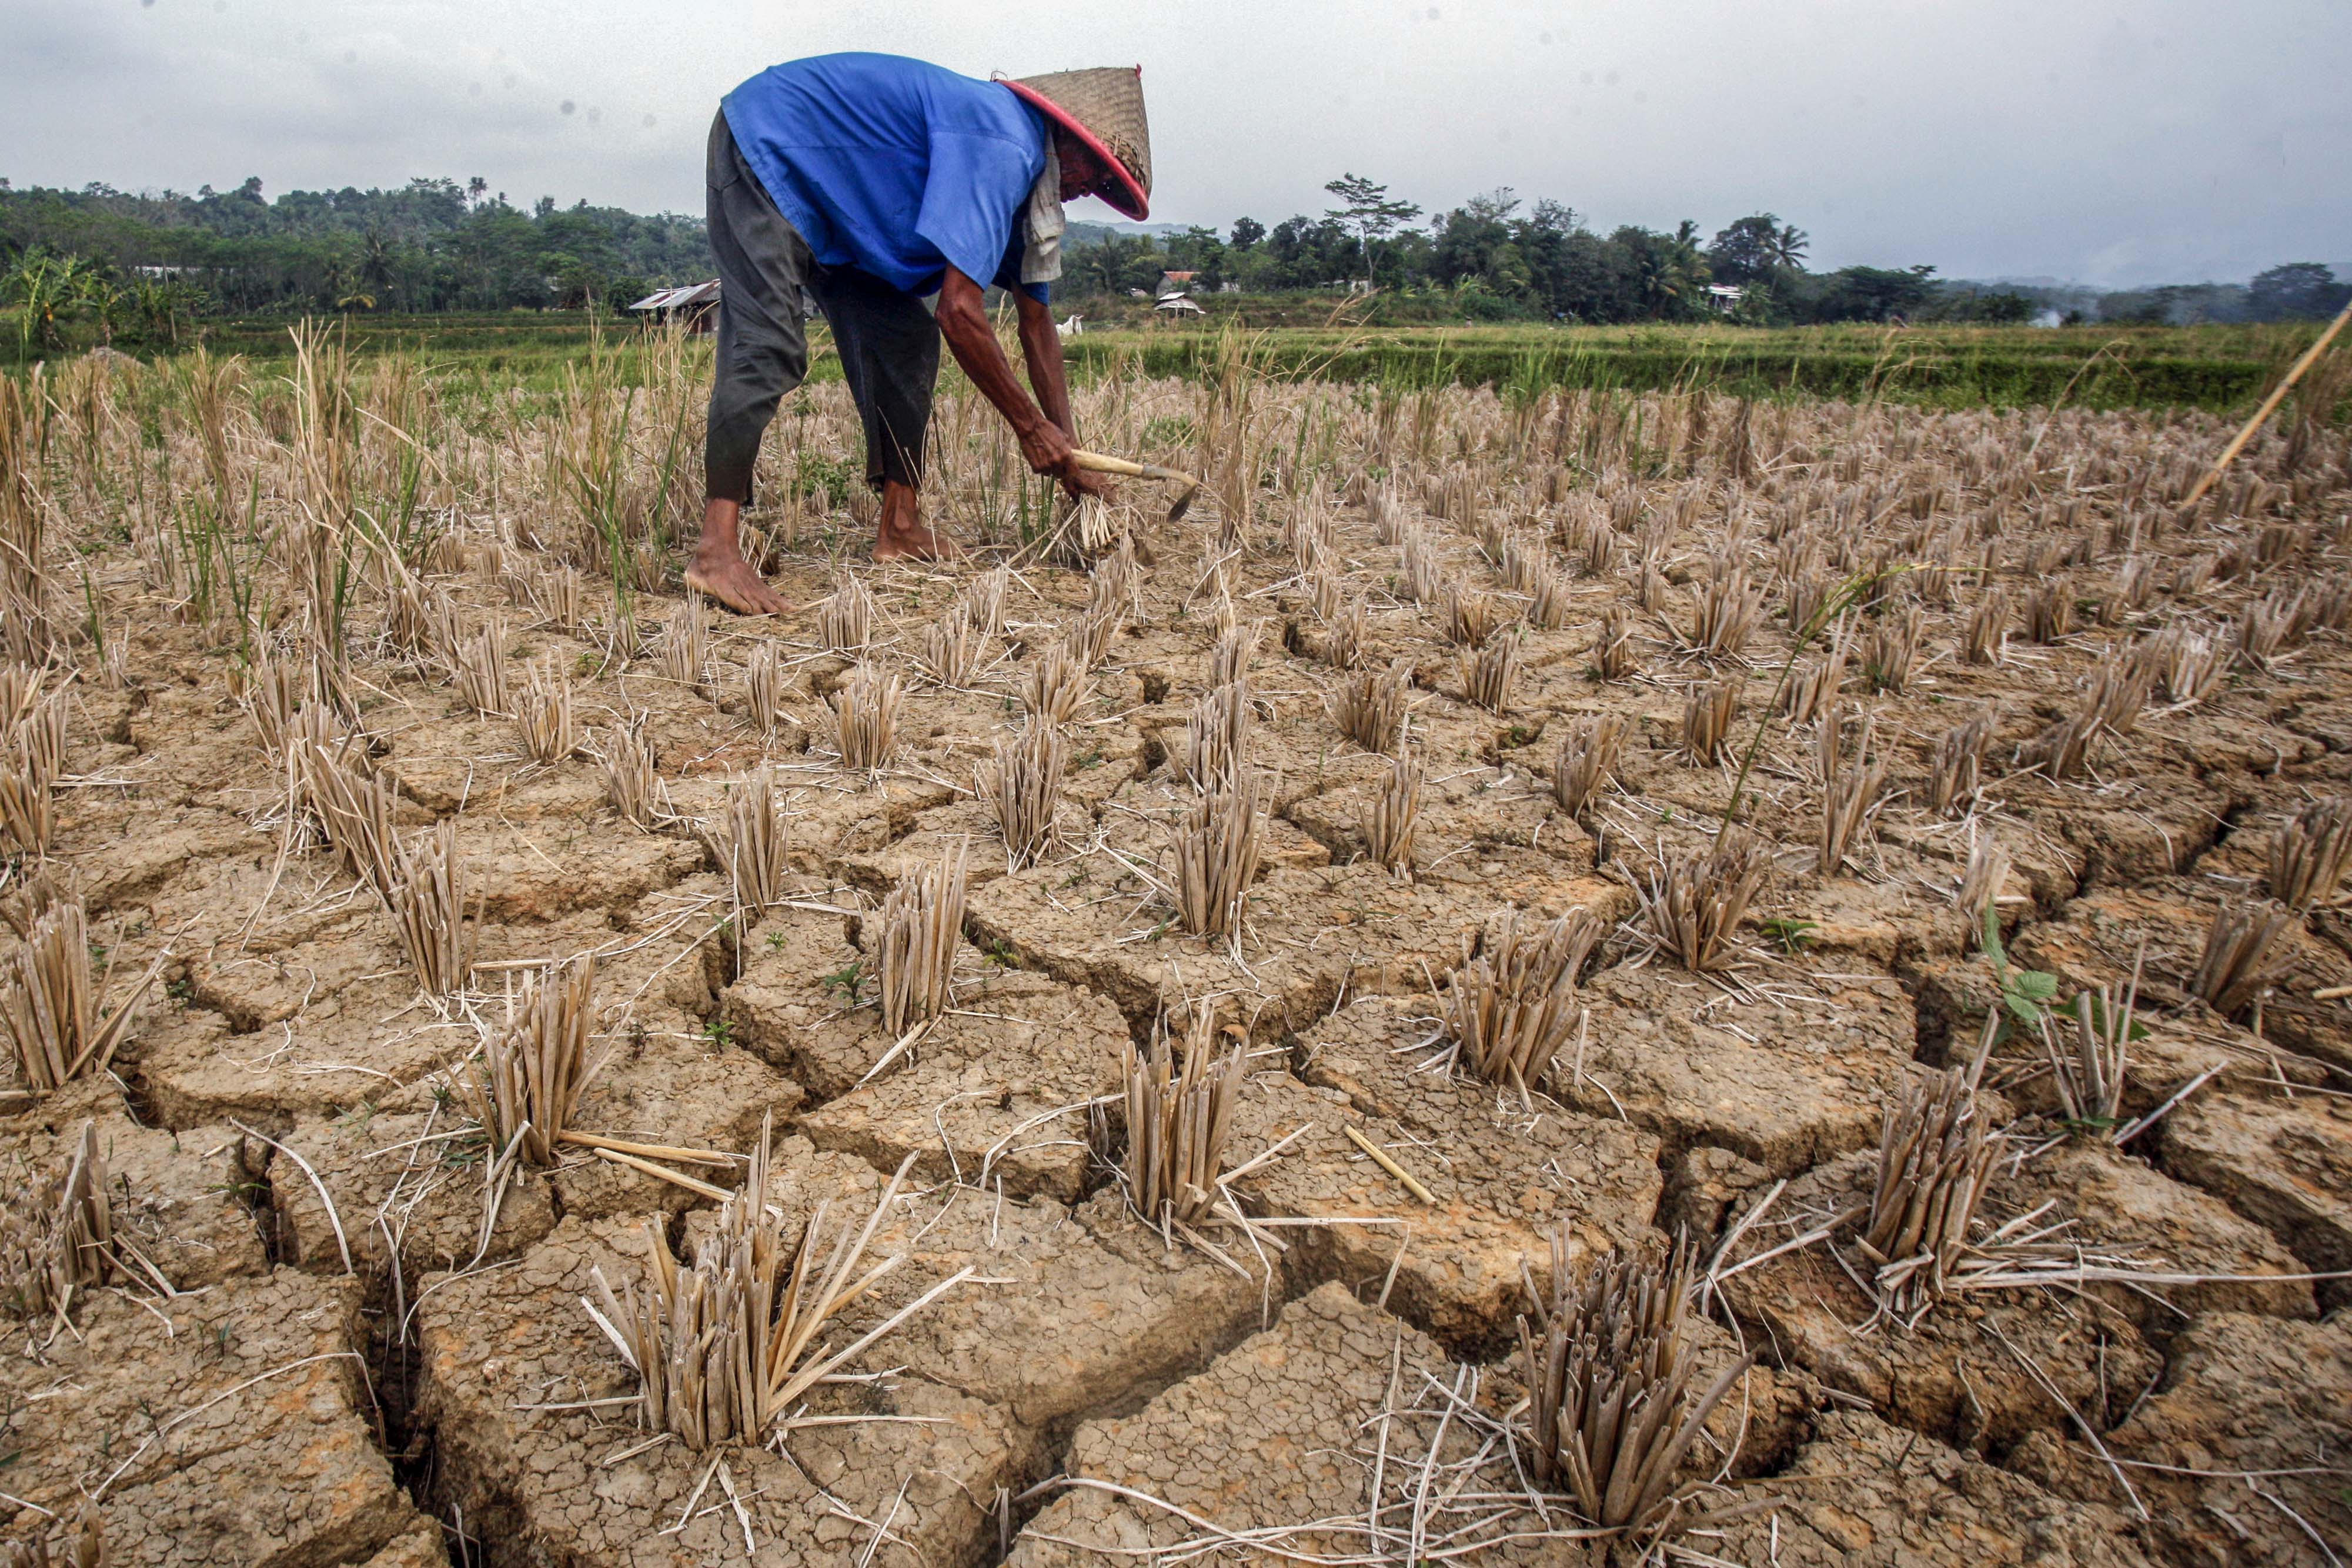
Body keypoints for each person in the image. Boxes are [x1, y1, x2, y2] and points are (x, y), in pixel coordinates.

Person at [689, 54, 1153, 614]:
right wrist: (1030, 428)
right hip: (770, 144)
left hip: (844, 211)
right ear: (1068, 136)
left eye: (1106, 185)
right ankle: (715, 551)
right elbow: (959, 312)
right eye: (1096, 170)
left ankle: (899, 528)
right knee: (768, 348)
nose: (1088, 190)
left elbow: (1037, 326)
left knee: (904, 338)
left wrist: (1069, 450)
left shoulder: (1032, 192)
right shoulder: (1006, 144)